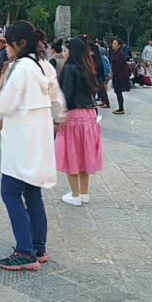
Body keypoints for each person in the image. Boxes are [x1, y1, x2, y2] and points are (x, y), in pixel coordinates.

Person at [0, 21, 66, 271]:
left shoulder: (21, 68)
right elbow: (56, 95)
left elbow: (4, 103)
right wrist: (59, 117)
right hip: (38, 136)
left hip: (22, 139)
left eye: (8, 43)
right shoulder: (42, 64)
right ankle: (38, 247)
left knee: (10, 192)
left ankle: (25, 252)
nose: (5, 48)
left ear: (21, 44)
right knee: (32, 192)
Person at [55, 38, 103, 206]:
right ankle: (84, 193)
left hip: (73, 116)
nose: (64, 53)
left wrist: (58, 116)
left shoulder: (69, 68)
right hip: (89, 116)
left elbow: (66, 95)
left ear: (72, 51)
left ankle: (75, 194)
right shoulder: (88, 68)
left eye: (65, 50)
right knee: (85, 155)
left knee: (72, 155)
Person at [111, 37, 131, 115]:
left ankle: (121, 109)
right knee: (118, 92)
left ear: (119, 45)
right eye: (113, 43)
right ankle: (120, 108)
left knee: (119, 92)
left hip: (119, 76)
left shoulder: (120, 54)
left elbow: (118, 66)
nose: (113, 44)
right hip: (117, 75)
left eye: (115, 43)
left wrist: (113, 73)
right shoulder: (116, 53)